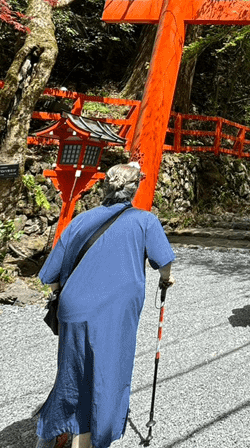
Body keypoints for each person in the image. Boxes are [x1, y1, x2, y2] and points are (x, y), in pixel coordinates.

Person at [35, 163, 175, 448]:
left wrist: (66, 293)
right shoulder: (145, 220)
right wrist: (166, 280)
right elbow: (164, 262)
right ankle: (88, 439)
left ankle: (51, 434)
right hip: (114, 313)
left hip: (73, 310)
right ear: (134, 189)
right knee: (106, 376)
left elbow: (49, 276)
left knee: (72, 373)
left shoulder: (81, 219)